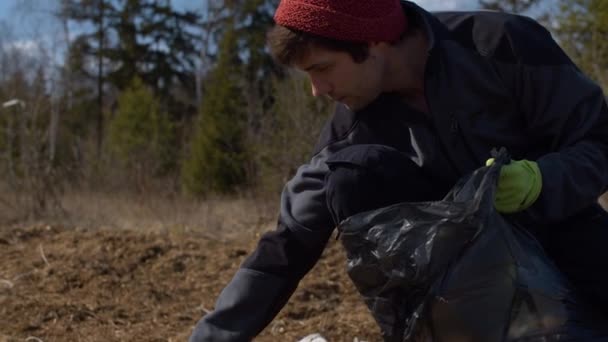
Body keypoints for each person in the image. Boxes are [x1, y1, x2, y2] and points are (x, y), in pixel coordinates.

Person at [189, 0, 608, 340]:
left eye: (321, 69)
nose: (317, 91)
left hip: (557, 231)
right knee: (350, 177)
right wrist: (213, 336)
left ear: (373, 41)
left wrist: (541, 179)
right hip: (464, 287)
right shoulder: (349, 129)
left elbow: (598, 141)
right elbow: (287, 245)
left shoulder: (500, 45)